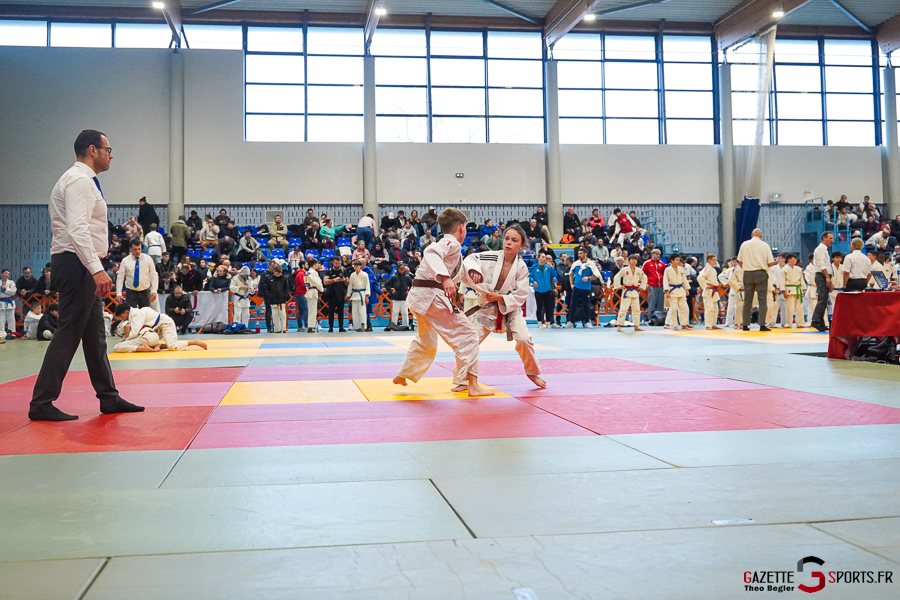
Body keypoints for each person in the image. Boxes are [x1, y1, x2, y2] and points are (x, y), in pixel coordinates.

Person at [30, 129, 142, 421]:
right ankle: (41, 403)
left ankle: (109, 397)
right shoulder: (79, 180)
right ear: (93, 149)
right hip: (78, 264)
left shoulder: (82, 180)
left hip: (79, 262)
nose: (111, 155)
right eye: (108, 149)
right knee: (68, 332)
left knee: (95, 336)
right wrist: (97, 269)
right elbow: (76, 229)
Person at [394, 208, 492, 398]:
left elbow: (464, 276)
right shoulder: (450, 243)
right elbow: (430, 252)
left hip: (419, 298)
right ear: (462, 228)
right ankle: (471, 385)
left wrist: (486, 291)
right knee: (469, 337)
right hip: (431, 297)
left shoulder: (453, 250)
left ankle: (404, 373)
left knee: (426, 340)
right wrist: (445, 278)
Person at [454, 225, 545, 391]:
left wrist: (501, 298)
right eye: (507, 238)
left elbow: (521, 294)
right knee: (469, 342)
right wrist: (474, 270)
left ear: (522, 245)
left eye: (514, 240)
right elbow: (470, 259)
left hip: (510, 311)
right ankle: (464, 379)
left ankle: (532, 371)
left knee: (524, 339)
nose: (508, 243)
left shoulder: (521, 268)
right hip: (487, 308)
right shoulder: (491, 256)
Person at [113, 303, 207, 353]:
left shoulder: (136, 314)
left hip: (165, 323)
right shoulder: (136, 313)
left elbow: (134, 332)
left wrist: (126, 340)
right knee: (153, 342)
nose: (122, 319)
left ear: (126, 312)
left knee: (172, 346)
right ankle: (156, 345)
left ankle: (194, 342)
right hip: (157, 328)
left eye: (121, 316)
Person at [736, 228, 775, 332]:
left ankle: (745, 324)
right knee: (762, 300)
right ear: (761, 236)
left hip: (747, 273)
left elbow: (739, 261)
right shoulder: (765, 245)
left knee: (747, 300)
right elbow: (770, 263)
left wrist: (747, 267)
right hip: (760, 273)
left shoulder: (744, 244)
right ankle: (762, 324)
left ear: (751, 235)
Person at [116, 237, 158, 310]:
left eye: (139, 249)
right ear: (130, 249)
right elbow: (120, 277)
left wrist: (154, 290)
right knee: (132, 315)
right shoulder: (125, 260)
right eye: (135, 249)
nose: (137, 251)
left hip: (145, 291)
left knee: (146, 314)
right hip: (131, 291)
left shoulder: (148, 259)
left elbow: (153, 275)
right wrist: (118, 293)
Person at [567, 248, 600, 328]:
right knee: (572, 305)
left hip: (586, 288)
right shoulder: (576, 264)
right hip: (576, 287)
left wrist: (588, 278)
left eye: (581, 253)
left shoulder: (591, 264)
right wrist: (571, 284)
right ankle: (570, 321)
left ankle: (586, 322)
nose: (579, 255)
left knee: (586, 305)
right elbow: (571, 274)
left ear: (585, 254)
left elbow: (596, 276)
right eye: (578, 253)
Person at [613, 254, 647, 332]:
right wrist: (619, 286)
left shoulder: (639, 270)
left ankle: (636, 326)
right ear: (628, 261)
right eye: (632, 259)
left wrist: (642, 287)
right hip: (627, 291)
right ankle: (619, 325)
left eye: (635, 260)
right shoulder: (624, 270)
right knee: (623, 309)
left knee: (637, 310)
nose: (634, 261)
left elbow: (644, 278)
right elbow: (616, 277)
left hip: (635, 291)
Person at [810, 231, 834, 332]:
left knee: (824, 300)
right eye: (830, 238)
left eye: (832, 238)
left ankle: (821, 322)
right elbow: (821, 265)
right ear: (824, 238)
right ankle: (815, 320)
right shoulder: (820, 249)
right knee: (822, 299)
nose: (832, 240)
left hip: (824, 275)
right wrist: (827, 277)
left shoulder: (824, 249)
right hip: (822, 275)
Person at [529, 252, 557, 329]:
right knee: (540, 306)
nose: (544, 258)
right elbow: (528, 276)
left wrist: (552, 267)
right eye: (543, 257)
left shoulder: (548, 267)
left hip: (547, 289)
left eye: (545, 257)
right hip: (538, 290)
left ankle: (548, 322)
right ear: (538, 258)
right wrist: (533, 281)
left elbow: (555, 274)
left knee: (548, 306)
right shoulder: (534, 267)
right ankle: (540, 322)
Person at [663, 254, 690, 330]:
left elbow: (684, 279)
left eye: (679, 260)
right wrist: (666, 291)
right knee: (674, 309)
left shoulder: (681, 269)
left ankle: (684, 324)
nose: (678, 261)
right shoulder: (667, 270)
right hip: (672, 290)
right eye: (677, 260)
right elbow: (665, 280)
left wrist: (687, 289)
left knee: (683, 308)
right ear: (672, 261)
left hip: (681, 290)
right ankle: (675, 325)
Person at [323, 255, 348, 333]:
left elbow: (348, 282)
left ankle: (341, 327)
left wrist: (344, 280)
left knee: (341, 312)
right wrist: (334, 280)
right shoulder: (330, 271)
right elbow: (325, 281)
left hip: (341, 294)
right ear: (333, 263)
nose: (337, 265)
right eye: (336, 263)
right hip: (332, 294)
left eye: (339, 263)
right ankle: (331, 327)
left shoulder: (344, 271)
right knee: (331, 312)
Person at [781, 254, 806, 328]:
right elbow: (782, 281)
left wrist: (803, 289)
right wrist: (783, 290)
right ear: (789, 260)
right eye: (794, 259)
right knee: (789, 308)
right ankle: (788, 323)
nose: (795, 260)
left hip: (798, 289)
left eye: (796, 259)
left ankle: (800, 323)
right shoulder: (784, 269)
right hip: (789, 289)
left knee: (800, 308)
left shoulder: (798, 269)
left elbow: (801, 280)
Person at [385, 262, 413, 330]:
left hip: (404, 298)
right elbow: (386, 284)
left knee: (405, 313)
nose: (402, 270)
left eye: (403, 269)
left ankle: (405, 326)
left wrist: (409, 292)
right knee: (395, 313)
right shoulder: (394, 277)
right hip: (395, 298)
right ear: (398, 269)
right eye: (401, 269)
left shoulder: (407, 277)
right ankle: (393, 326)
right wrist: (391, 291)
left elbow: (412, 285)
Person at [345, 259, 370, 332]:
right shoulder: (352, 275)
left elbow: (367, 286)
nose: (355, 267)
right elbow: (350, 286)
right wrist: (348, 296)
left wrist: (367, 296)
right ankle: (356, 326)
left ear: (360, 266)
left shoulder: (365, 274)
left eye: (356, 266)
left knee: (362, 311)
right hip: (354, 295)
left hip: (362, 294)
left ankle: (363, 325)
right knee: (354, 312)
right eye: (354, 266)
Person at [697, 254, 721, 330]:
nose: (715, 261)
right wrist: (705, 285)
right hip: (708, 291)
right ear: (709, 260)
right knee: (709, 308)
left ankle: (713, 324)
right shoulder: (707, 268)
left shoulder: (713, 269)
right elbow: (700, 278)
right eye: (713, 259)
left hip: (714, 290)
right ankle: (708, 325)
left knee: (715, 309)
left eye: (715, 259)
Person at [642, 249, 666, 322]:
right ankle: (651, 319)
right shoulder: (647, 263)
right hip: (652, 285)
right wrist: (645, 283)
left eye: (659, 254)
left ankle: (661, 318)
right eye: (656, 254)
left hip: (661, 285)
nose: (658, 255)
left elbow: (664, 274)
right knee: (652, 302)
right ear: (652, 254)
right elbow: (642, 274)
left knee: (661, 303)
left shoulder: (662, 264)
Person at [267, 263, 292, 333]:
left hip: (282, 300)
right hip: (273, 300)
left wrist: (285, 297)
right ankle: (276, 329)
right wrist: (270, 297)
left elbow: (286, 289)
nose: (278, 275)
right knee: (275, 315)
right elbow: (267, 289)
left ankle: (284, 328)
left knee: (283, 315)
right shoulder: (270, 279)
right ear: (274, 271)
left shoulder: (284, 279)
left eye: (279, 274)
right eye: (277, 273)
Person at [305, 257, 323, 333]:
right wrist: (322, 289)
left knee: (310, 310)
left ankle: (310, 326)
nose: (318, 265)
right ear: (314, 264)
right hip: (313, 292)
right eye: (317, 264)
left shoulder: (307, 273)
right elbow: (318, 283)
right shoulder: (313, 273)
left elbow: (305, 283)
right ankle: (311, 326)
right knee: (312, 311)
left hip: (308, 291)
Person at [292, 261, 308, 332]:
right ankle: (306, 325)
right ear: (303, 265)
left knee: (301, 310)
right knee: (305, 309)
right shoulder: (301, 273)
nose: (308, 266)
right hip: (301, 293)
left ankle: (300, 325)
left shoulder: (300, 273)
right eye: (306, 264)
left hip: (299, 293)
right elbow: (303, 284)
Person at [0, 269, 16, 339]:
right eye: (6, 273)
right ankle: (1, 333)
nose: (7, 275)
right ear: (2, 274)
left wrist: (6, 289)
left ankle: (12, 333)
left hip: (10, 302)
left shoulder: (11, 282)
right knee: (1, 319)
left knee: (11, 318)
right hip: (1, 302)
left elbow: (13, 292)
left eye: (8, 274)